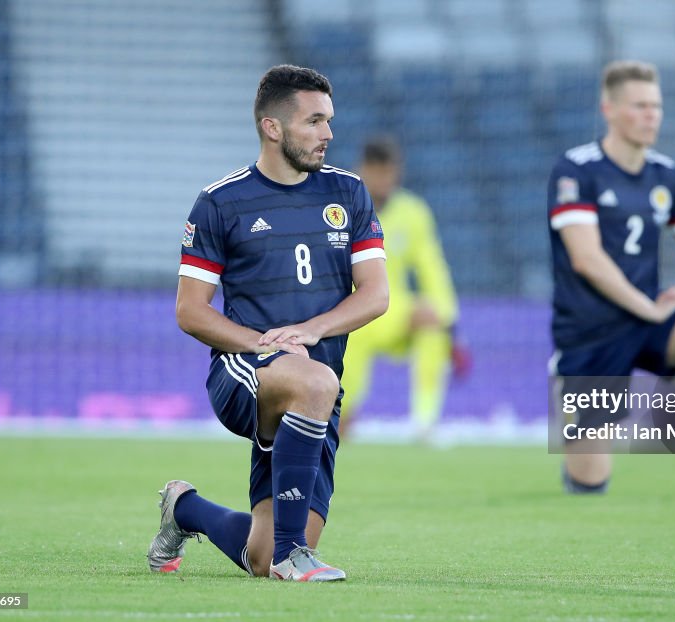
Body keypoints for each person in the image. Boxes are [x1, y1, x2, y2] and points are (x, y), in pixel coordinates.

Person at [146, 65, 389, 582]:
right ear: (272, 128)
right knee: (316, 384)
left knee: (258, 556)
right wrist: (262, 343)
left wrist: (312, 330)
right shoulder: (220, 203)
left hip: (315, 389)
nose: (329, 134)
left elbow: (376, 295)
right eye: (315, 121)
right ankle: (293, 554)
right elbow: (190, 310)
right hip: (243, 372)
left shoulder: (347, 194)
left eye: (329, 121)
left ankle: (183, 508)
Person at [547, 60, 675, 500]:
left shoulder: (666, 175)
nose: (651, 115)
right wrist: (650, 306)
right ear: (610, 109)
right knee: (589, 484)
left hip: (648, 322)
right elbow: (587, 259)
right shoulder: (576, 170)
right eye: (639, 106)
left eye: (656, 106)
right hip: (591, 333)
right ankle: (569, 407)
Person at [339, 137, 464, 442]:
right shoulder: (341, 209)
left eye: (389, 172)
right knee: (341, 414)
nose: (384, 180)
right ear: (362, 170)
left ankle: (424, 424)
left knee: (432, 324)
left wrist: (447, 318)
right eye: (377, 172)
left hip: (392, 310)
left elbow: (432, 268)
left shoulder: (413, 213)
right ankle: (338, 418)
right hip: (350, 315)